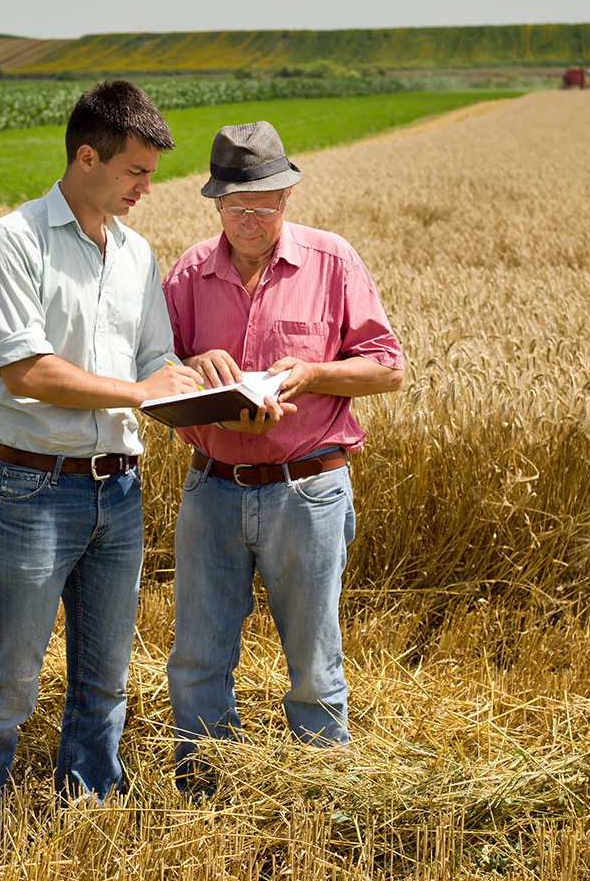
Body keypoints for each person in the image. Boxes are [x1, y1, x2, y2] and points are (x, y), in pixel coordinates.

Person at [0, 80, 201, 849]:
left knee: (106, 678)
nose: (147, 188)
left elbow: (153, 356)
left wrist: (190, 379)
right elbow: (27, 371)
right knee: (12, 679)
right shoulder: (12, 242)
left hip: (119, 489)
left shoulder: (138, 253)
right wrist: (141, 390)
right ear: (87, 157)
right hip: (34, 487)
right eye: (136, 172)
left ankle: (86, 817)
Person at [161, 120, 405, 791]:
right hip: (211, 489)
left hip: (308, 490)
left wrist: (312, 373)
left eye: (263, 205)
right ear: (215, 203)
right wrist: (189, 362)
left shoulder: (332, 261)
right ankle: (204, 793)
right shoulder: (187, 272)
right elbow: (148, 369)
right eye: (236, 206)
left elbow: (387, 368)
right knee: (198, 658)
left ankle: (323, 800)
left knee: (313, 661)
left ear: (287, 197)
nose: (249, 219)